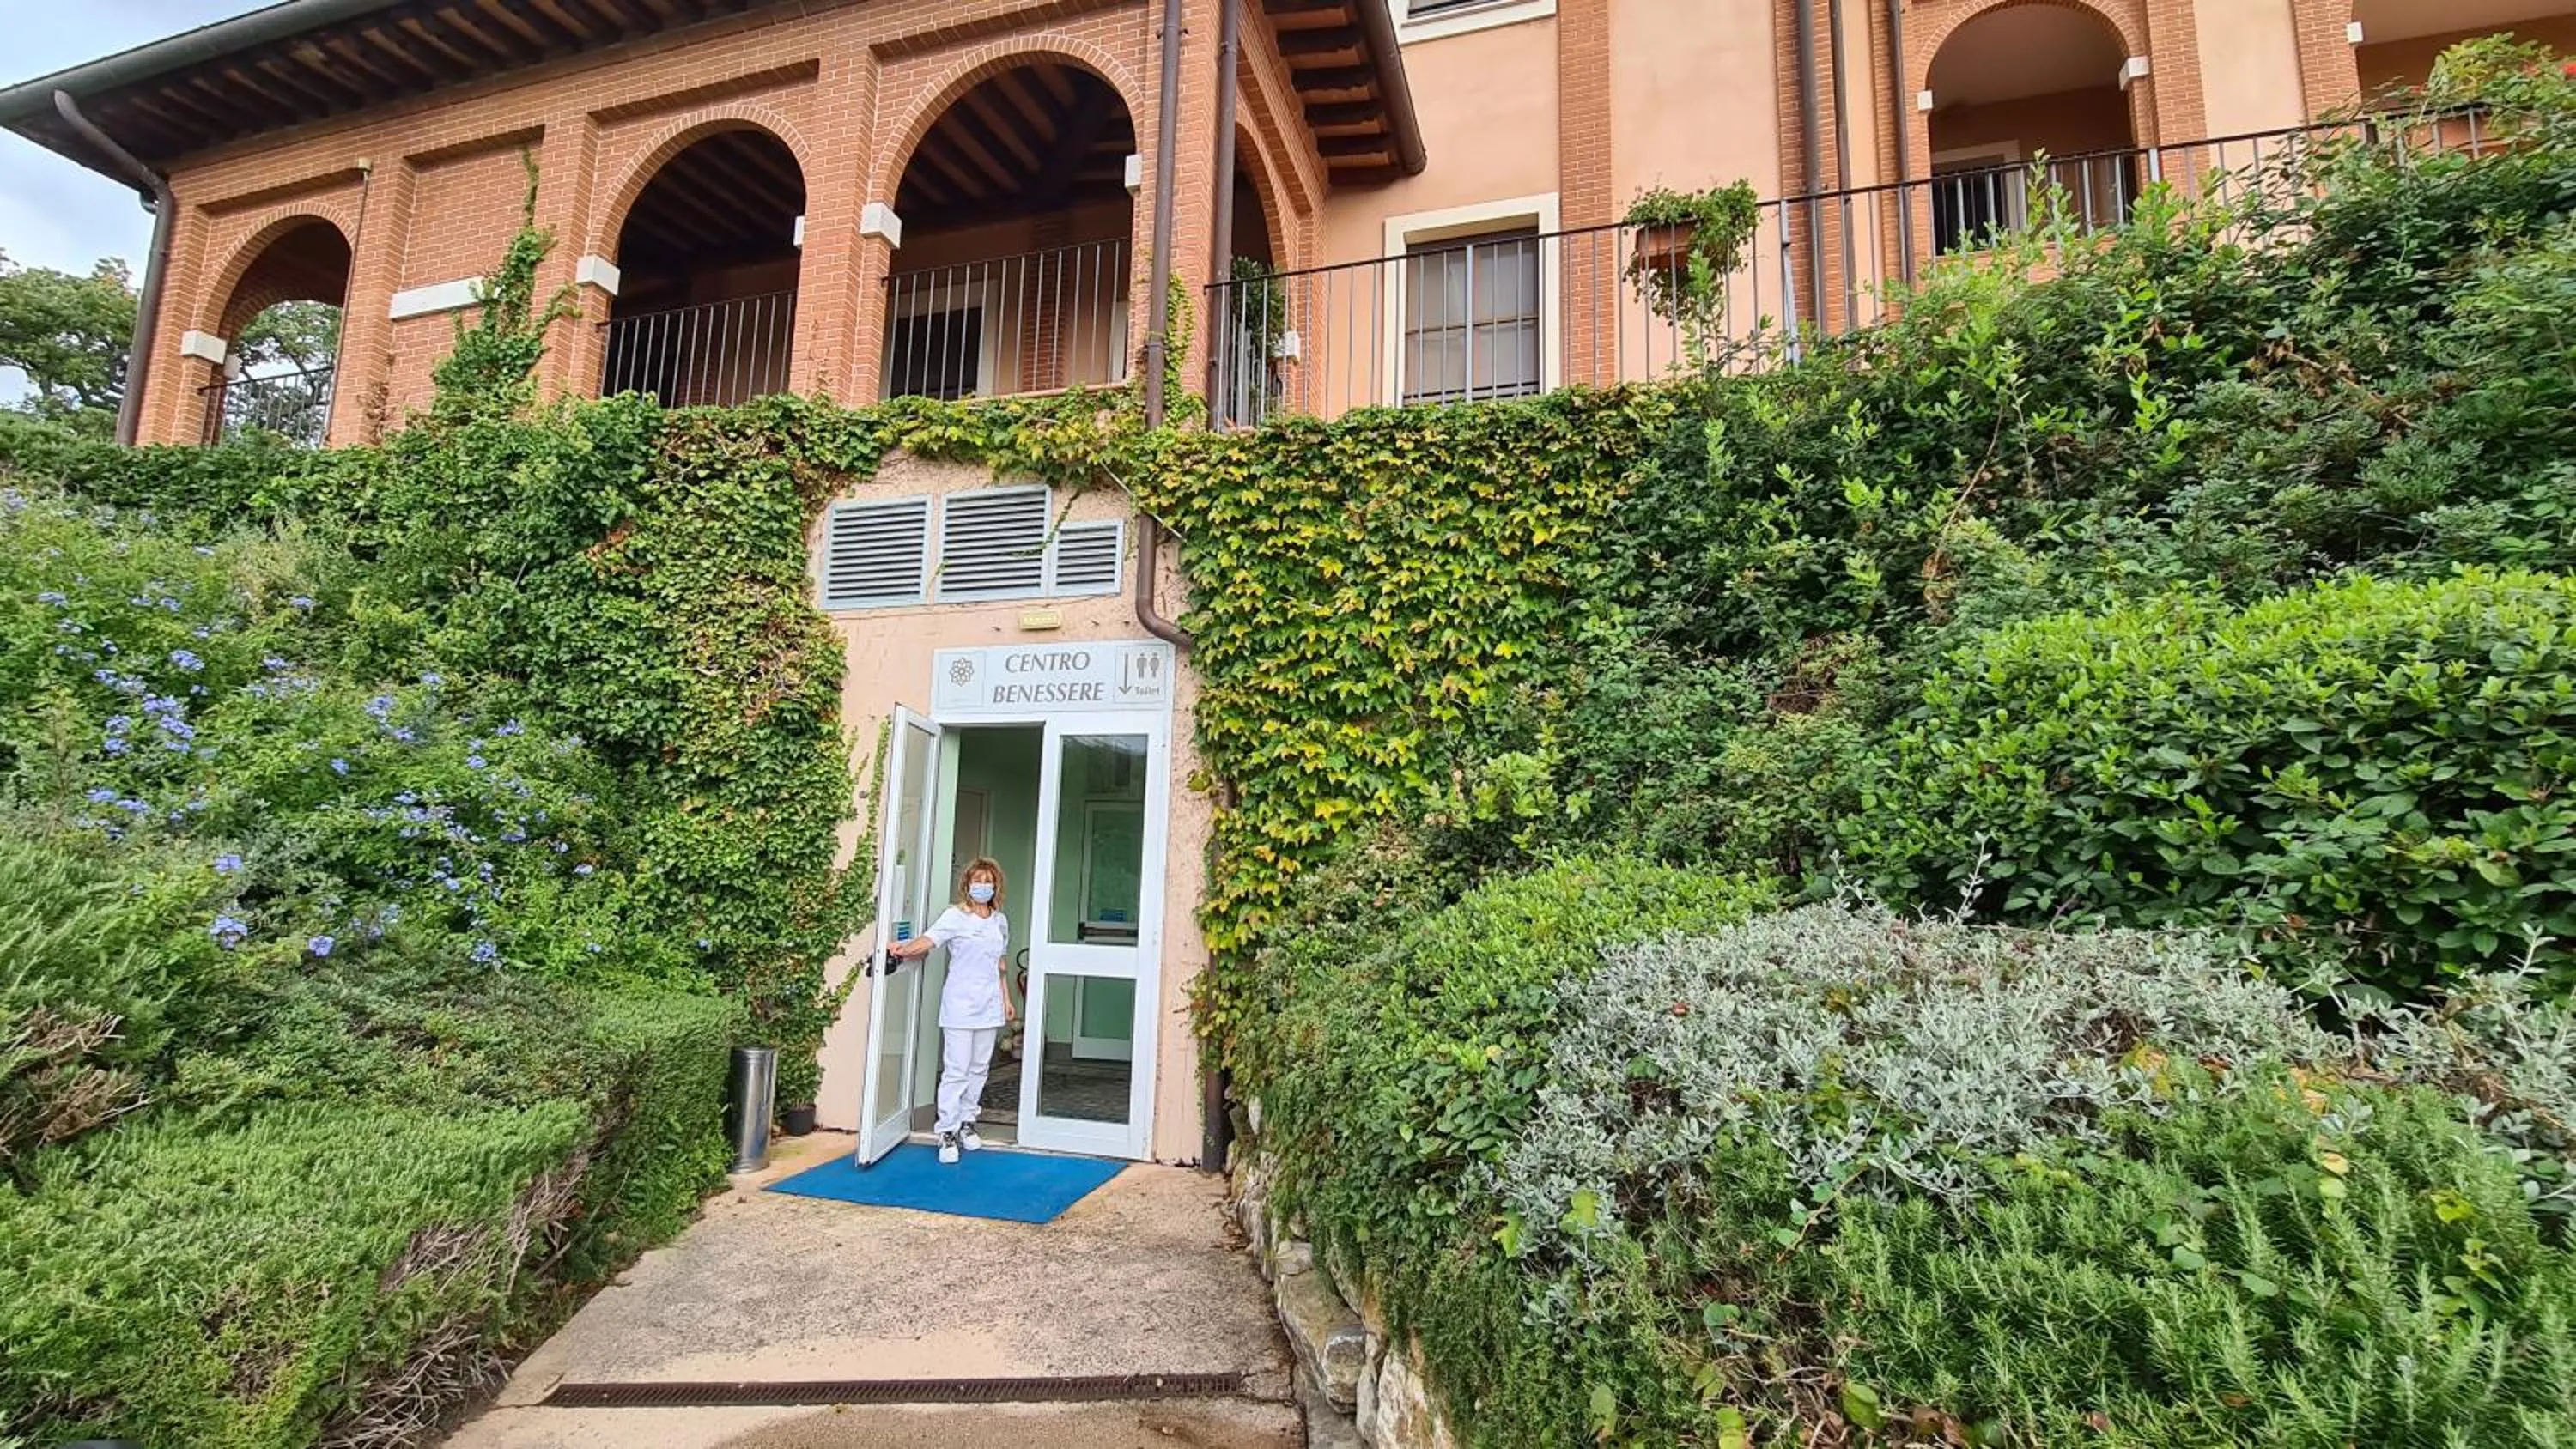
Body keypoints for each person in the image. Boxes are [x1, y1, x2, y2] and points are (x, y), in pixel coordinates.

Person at [888, 858, 1014, 1164]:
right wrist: (900, 949)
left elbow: (1000, 965)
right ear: (967, 885)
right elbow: (928, 941)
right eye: (977, 881)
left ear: (996, 886)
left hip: (989, 1005)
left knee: (979, 1068)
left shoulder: (999, 921)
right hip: (959, 1004)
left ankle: (967, 1122)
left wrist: (1006, 1000)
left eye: (988, 881)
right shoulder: (955, 917)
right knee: (956, 1069)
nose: (982, 886)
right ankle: (947, 1129)